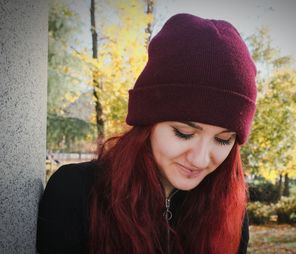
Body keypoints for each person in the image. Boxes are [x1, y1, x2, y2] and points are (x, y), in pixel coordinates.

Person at [37, 13, 257, 254]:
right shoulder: (76, 192)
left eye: (223, 139)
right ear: (148, 123)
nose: (200, 159)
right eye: (183, 133)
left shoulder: (229, 211)